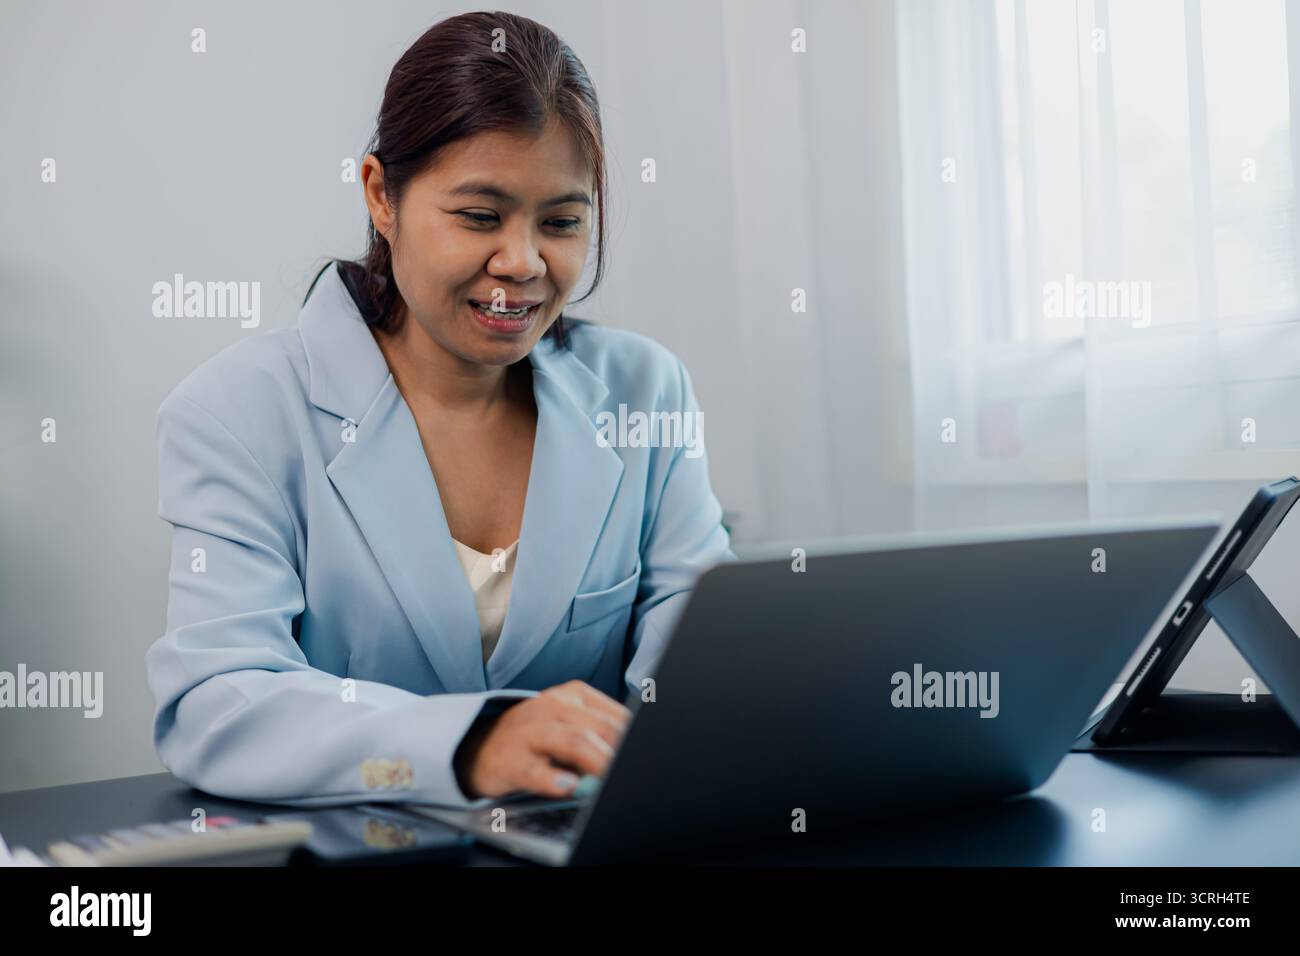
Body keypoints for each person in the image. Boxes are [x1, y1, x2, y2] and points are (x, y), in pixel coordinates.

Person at [144, 11, 733, 809]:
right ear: (381, 195)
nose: (522, 263)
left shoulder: (645, 392)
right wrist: (470, 742)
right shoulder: (239, 413)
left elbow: (706, 666)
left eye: (561, 222)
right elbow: (219, 705)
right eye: (480, 216)